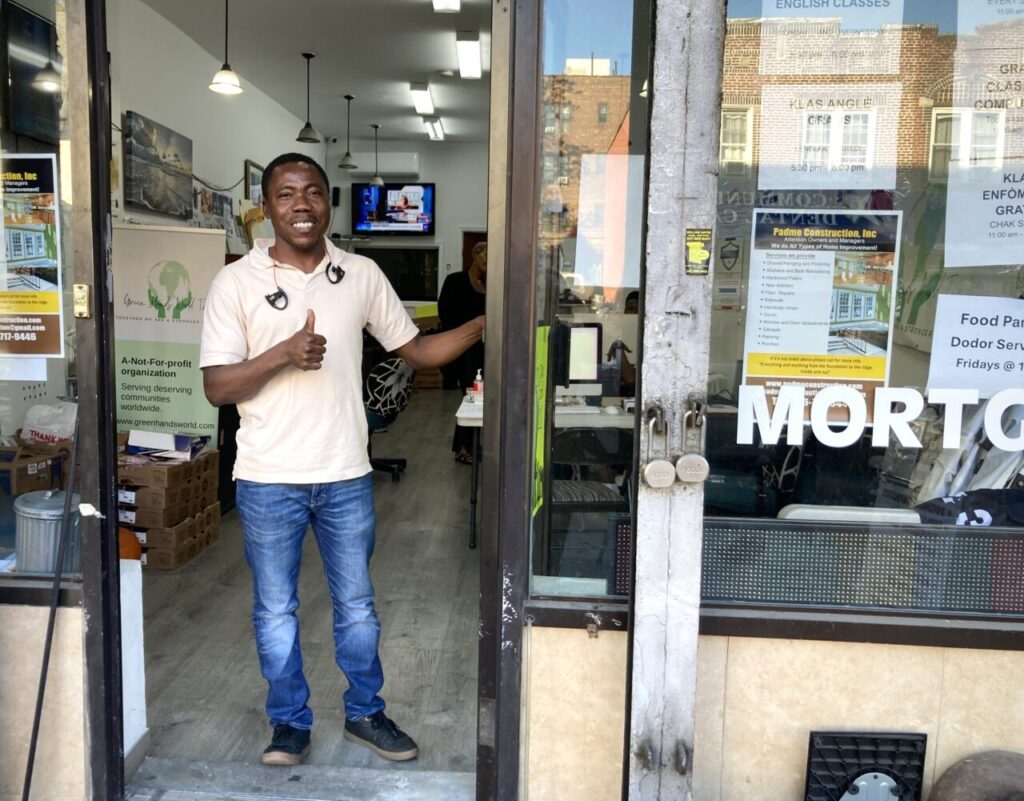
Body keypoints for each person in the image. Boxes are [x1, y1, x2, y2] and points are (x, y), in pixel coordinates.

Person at [199, 153, 483, 767]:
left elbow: (419, 351)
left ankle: (366, 713)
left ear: (329, 203)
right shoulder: (235, 282)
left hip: (347, 473)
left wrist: (490, 321)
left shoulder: (360, 274)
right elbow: (218, 387)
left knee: (357, 605)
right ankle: (289, 724)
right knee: (275, 610)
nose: (301, 204)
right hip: (268, 478)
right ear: (268, 206)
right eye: (286, 194)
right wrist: (281, 353)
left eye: (313, 193)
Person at [438, 241, 486, 463]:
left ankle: (471, 446)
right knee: (471, 396)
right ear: (474, 257)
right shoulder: (455, 280)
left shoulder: (490, 284)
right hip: (463, 348)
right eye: (483, 257)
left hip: (486, 349)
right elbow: (445, 313)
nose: (486, 262)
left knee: (480, 398)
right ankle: (465, 448)